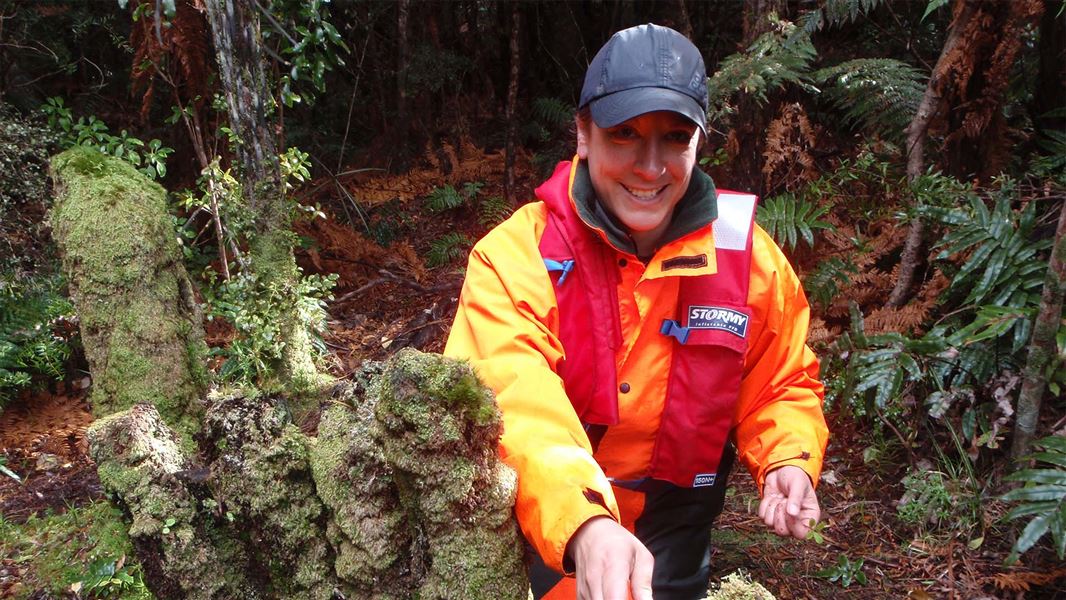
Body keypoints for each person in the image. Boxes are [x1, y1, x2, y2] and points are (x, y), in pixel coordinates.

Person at [444, 23, 828, 600]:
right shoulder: (517, 257)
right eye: (624, 134)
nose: (651, 166)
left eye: (675, 137)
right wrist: (585, 521)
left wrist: (787, 459)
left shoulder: (749, 261)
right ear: (583, 134)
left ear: (698, 143)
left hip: (674, 533)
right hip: (546, 530)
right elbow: (510, 403)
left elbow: (781, 380)